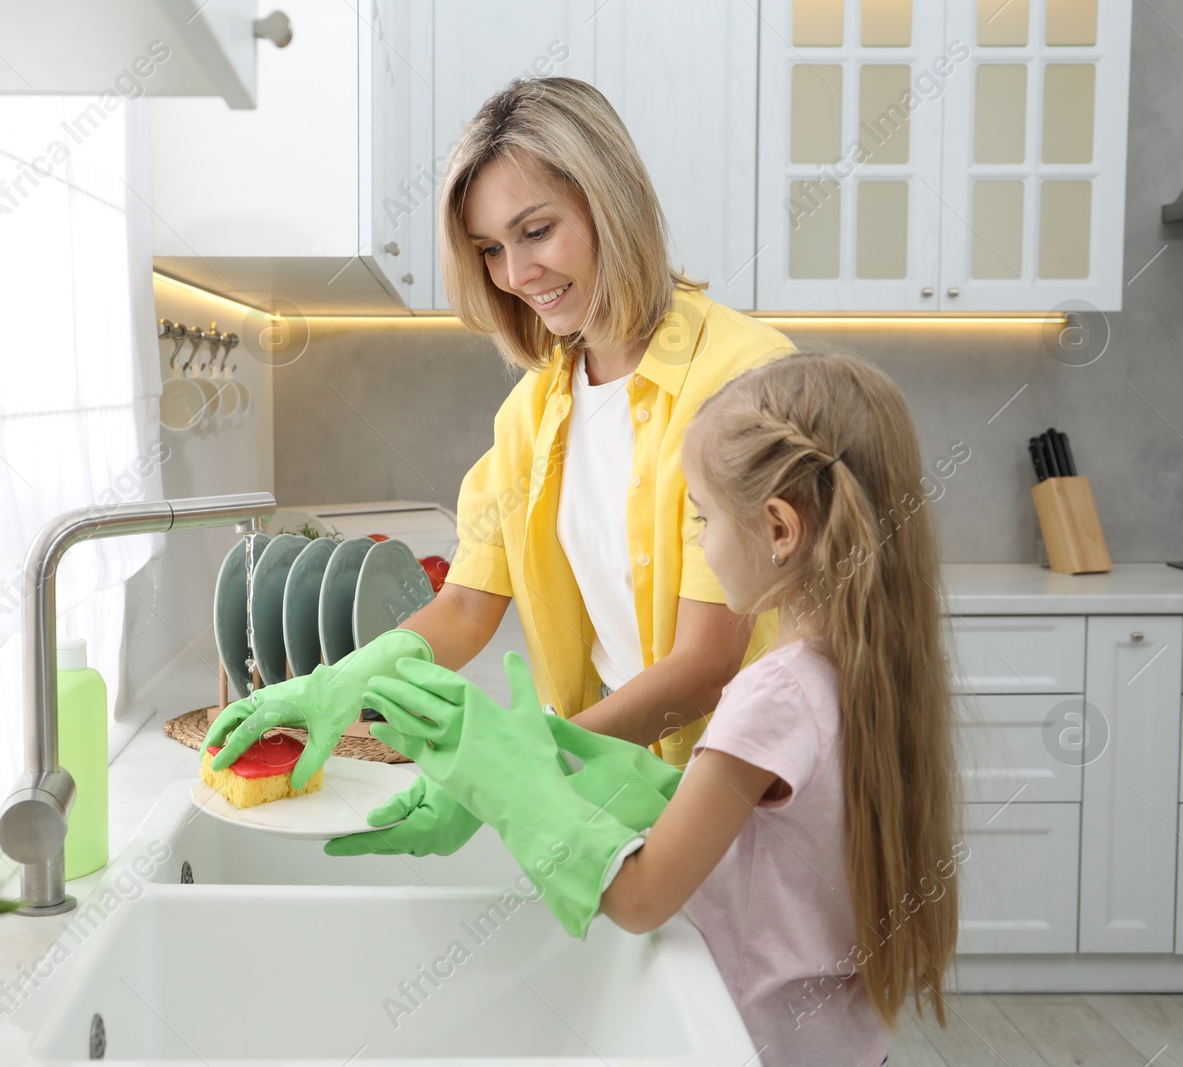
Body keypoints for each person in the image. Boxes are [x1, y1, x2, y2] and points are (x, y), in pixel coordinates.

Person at [203, 75, 795, 857]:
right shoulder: (533, 414)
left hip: (755, 801)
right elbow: (463, 609)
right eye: (489, 249)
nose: (515, 274)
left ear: (609, 204)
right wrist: (343, 684)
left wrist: (522, 767)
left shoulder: (742, 381)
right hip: (621, 782)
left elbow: (703, 665)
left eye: (536, 231)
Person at [367, 349, 961, 1066]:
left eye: (703, 517)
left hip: (754, 1047)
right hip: (847, 1045)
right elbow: (777, 846)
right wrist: (626, 776)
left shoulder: (772, 694)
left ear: (778, 528)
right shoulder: (860, 666)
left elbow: (642, 898)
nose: (702, 546)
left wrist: (508, 778)